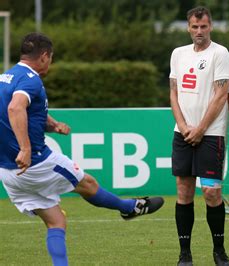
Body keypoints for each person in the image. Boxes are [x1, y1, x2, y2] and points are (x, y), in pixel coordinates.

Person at [0, 33, 164, 266]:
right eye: (52, 58)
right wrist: (25, 148)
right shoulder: (31, 79)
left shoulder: (5, 78)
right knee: (88, 184)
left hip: (9, 172)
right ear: (45, 56)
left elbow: (20, 111)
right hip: (36, 162)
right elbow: (16, 108)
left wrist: (52, 124)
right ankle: (130, 207)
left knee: (56, 221)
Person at [169, 6, 229, 266]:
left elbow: (221, 95)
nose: (199, 31)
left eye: (203, 26)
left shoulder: (220, 53)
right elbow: (173, 92)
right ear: (188, 27)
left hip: (211, 134)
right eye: (194, 27)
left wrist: (200, 129)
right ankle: (185, 253)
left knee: (211, 192)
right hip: (182, 132)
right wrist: (184, 126)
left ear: (210, 26)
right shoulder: (178, 54)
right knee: (184, 192)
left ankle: (219, 250)